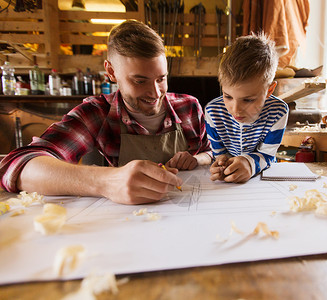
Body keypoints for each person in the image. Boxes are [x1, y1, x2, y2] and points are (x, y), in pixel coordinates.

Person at [0, 20, 212, 204]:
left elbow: (211, 153)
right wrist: (106, 182)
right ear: (111, 71)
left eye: (161, 79)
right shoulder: (97, 114)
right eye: (140, 81)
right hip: (128, 219)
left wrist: (199, 158)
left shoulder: (189, 107)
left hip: (186, 209)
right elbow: (18, 166)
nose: (156, 93)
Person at [205, 33, 288, 183]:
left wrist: (249, 164)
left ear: (269, 90)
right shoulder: (212, 112)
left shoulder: (278, 112)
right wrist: (221, 164)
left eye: (248, 100)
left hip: (266, 181)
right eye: (228, 96)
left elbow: (268, 155)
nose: (236, 109)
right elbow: (219, 153)